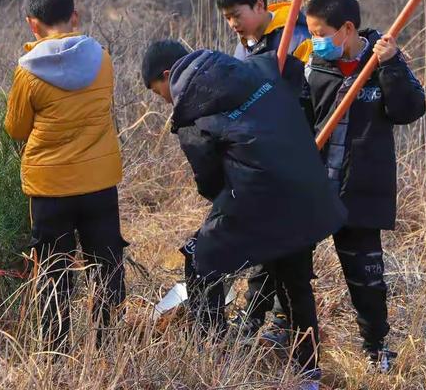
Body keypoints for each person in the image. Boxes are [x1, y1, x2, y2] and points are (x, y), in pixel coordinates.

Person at [141, 39, 347, 387]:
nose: (163, 99)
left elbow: (209, 183)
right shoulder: (251, 67)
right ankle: (309, 374)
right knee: (294, 279)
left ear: (167, 75)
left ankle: (213, 358)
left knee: (200, 258)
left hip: (259, 200)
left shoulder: (191, 111)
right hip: (308, 188)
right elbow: (293, 71)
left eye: (157, 91)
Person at [303, 0, 426, 372]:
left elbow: (410, 109)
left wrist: (390, 65)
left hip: (360, 190)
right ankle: (287, 334)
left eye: (320, 33)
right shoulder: (314, 67)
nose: (315, 41)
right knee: (289, 261)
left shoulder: (383, 60)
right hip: (315, 186)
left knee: (367, 279)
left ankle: (375, 348)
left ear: (347, 29)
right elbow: (301, 118)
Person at [5, 0, 127, 350]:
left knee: (54, 273)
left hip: (50, 188)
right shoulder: (102, 60)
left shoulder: (27, 73)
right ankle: (108, 349)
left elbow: (16, 128)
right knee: (107, 268)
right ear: (75, 16)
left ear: (32, 23)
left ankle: (57, 356)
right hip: (99, 183)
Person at [216, 0, 315, 340]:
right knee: (266, 243)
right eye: (226, 18)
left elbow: (314, 100)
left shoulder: (299, 36)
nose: (233, 25)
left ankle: (284, 325)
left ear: (260, 5)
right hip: (261, 162)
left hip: (297, 159)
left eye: (236, 15)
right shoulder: (245, 46)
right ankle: (261, 319)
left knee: (290, 252)